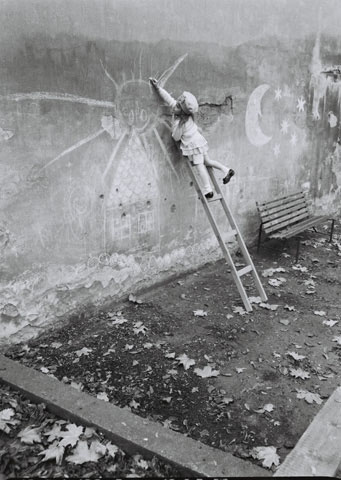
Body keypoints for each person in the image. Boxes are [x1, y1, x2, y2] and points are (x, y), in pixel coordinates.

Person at [149, 78, 235, 198]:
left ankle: (208, 190)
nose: (174, 105)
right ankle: (226, 170)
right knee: (208, 162)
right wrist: (158, 88)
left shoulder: (180, 123)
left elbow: (176, 137)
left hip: (194, 145)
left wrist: (173, 128)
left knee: (200, 166)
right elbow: (168, 99)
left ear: (182, 111)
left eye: (178, 105)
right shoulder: (184, 115)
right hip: (199, 141)